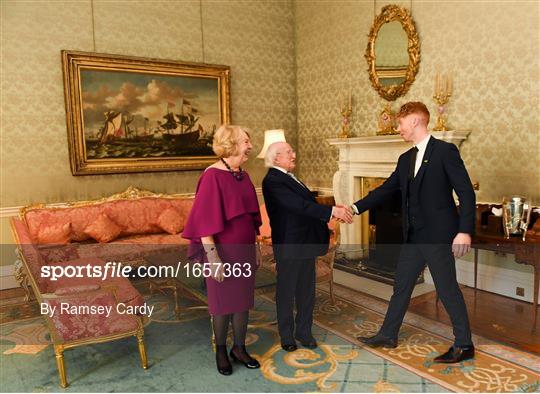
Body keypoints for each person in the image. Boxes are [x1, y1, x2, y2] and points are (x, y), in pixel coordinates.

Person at [352, 102, 476, 363]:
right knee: (401, 285)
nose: (398, 129)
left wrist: (464, 231)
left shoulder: (445, 151)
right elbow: (386, 189)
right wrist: (354, 207)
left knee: (446, 290)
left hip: (439, 235)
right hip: (414, 237)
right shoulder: (405, 158)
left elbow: (465, 192)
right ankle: (388, 334)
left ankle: (464, 345)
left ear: (415, 122)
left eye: (400, 123)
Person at [182, 125, 261, 376]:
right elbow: (204, 223)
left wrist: (256, 246)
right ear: (231, 144)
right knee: (222, 304)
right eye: (246, 141)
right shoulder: (211, 176)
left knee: (242, 302)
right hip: (221, 252)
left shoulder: (244, 175)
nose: (250, 146)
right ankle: (220, 350)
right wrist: (213, 258)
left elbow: (251, 217)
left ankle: (239, 348)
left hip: (244, 250)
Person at [262, 141, 353, 352]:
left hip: (305, 242)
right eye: (288, 152)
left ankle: (304, 331)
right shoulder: (273, 180)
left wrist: (332, 208)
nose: (294, 155)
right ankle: (287, 335)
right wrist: (332, 212)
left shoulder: (289, 177)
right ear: (276, 158)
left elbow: (306, 205)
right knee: (286, 291)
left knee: (306, 289)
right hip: (290, 244)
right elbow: (298, 206)